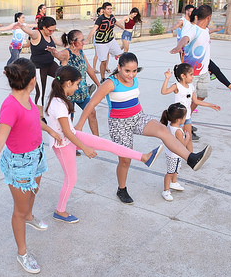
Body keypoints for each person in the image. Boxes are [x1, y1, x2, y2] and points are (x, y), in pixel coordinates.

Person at [75, 53, 213, 204]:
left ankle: (191, 158)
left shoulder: (133, 79)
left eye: (134, 71)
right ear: (119, 67)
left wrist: (142, 115)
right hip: (119, 124)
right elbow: (91, 104)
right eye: (127, 71)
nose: (131, 74)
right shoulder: (110, 83)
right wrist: (80, 125)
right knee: (125, 160)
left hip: (138, 117)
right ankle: (122, 189)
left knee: (163, 130)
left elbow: (133, 98)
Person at [0, 58, 62, 274]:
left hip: (36, 155)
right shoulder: (10, 106)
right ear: (33, 80)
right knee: (19, 209)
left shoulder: (30, 98)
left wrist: (51, 131)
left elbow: (36, 120)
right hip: (19, 162)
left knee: (33, 191)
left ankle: (30, 216)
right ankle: (22, 253)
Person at [45, 65, 163, 222]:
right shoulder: (59, 104)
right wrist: (85, 148)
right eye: (77, 84)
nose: (78, 87)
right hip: (64, 144)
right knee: (71, 179)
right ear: (68, 84)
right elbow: (66, 132)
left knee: (109, 145)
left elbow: (67, 130)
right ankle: (60, 211)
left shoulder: (59, 99)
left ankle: (144, 157)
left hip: (72, 136)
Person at [169, 5, 214, 124]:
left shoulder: (206, 30)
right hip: (191, 74)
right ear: (209, 17)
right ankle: (182, 122)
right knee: (186, 100)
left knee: (202, 96)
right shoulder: (194, 29)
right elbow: (185, 38)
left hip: (203, 72)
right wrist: (179, 46)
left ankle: (188, 116)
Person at [161, 63, 221, 143]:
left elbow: (196, 101)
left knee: (188, 139)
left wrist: (211, 105)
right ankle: (178, 155)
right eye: (191, 75)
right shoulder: (177, 86)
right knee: (179, 140)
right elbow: (164, 92)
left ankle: (190, 154)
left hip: (187, 117)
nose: (192, 77)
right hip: (179, 118)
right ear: (183, 76)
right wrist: (167, 78)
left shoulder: (191, 87)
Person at [56, 29, 100, 136]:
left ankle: (97, 140)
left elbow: (89, 69)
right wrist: (54, 52)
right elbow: (59, 55)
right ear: (73, 42)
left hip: (82, 92)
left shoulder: (81, 52)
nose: (84, 42)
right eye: (81, 40)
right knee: (69, 120)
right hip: (69, 93)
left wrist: (99, 85)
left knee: (92, 113)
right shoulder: (66, 53)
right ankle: (71, 145)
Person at [17, 16, 63, 113]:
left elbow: (60, 43)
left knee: (63, 75)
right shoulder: (37, 34)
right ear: (44, 27)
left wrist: (72, 39)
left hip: (50, 64)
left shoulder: (50, 35)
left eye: (54, 30)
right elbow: (29, 31)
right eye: (50, 30)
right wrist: (21, 25)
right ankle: (40, 116)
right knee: (40, 92)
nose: (52, 32)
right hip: (38, 67)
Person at [86, 2, 126, 82]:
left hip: (110, 40)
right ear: (103, 10)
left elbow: (116, 22)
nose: (110, 10)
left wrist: (123, 28)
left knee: (121, 56)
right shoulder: (100, 19)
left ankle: (122, 73)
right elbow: (94, 29)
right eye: (108, 9)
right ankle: (103, 78)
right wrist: (87, 39)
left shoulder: (111, 17)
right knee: (103, 61)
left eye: (111, 8)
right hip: (101, 43)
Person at [159, 103, 189, 202]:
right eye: (185, 116)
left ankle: (174, 182)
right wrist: (187, 138)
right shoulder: (178, 131)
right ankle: (166, 190)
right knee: (170, 172)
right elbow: (182, 146)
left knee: (175, 169)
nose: (185, 118)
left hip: (172, 154)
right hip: (174, 155)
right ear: (179, 119)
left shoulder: (170, 125)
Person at [91, 6, 110, 76]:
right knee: (97, 54)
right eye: (102, 12)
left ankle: (106, 67)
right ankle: (94, 68)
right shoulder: (99, 20)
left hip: (106, 39)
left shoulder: (106, 19)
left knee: (107, 53)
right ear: (99, 13)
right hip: (98, 39)